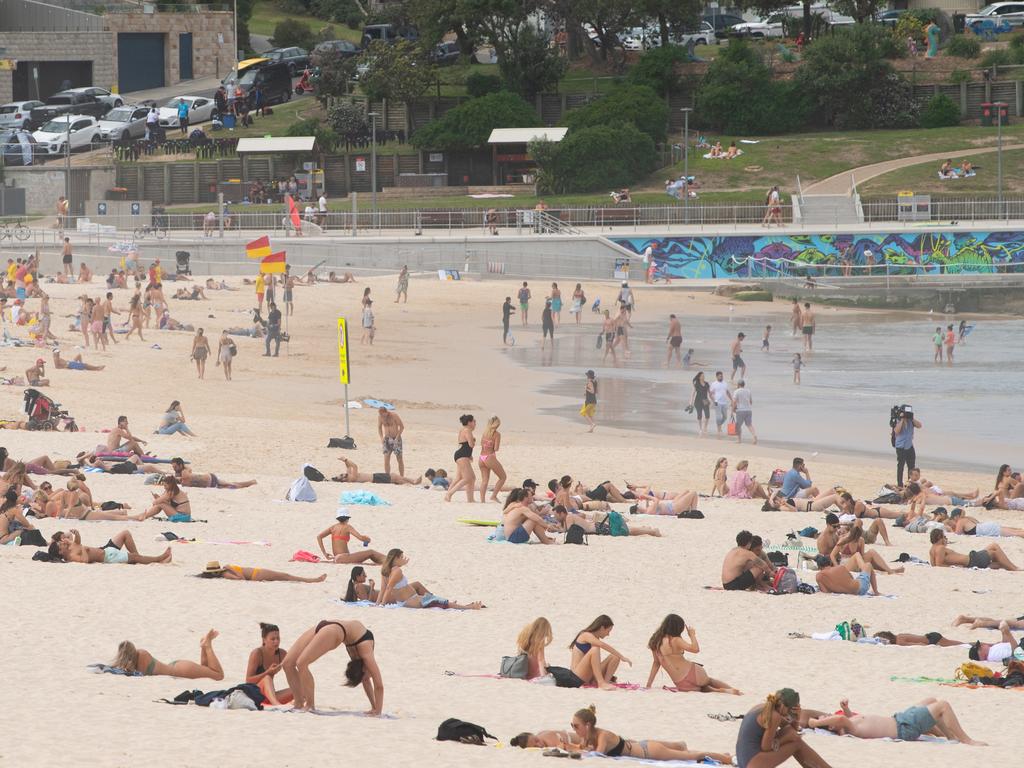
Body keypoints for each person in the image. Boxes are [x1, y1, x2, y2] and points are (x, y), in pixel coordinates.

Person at [563, 705, 732, 763]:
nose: (573, 728)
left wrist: (577, 751)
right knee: (683, 752)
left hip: (649, 751)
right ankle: (679, 745)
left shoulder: (603, 736)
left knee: (692, 756)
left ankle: (725, 758)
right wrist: (567, 747)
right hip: (641, 745)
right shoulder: (587, 736)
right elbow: (580, 748)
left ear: (588, 724)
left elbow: (597, 754)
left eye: (575, 725)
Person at [281, 619, 383, 714]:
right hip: (333, 630)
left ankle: (303, 704)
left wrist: (374, 707)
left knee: (295, 663)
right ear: (364, 670)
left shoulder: (360, 660)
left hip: (328, 625)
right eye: (365, 678)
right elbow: (379, 685)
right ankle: (307, 705)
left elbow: (366, 680)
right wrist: (378, 710)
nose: (366, 680)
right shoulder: (366, 653)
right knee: (290, 664)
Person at [809, 698, 984, 745]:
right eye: (826, 718)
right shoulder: (846, 727)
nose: (827, 715)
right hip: (903, 727)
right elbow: (840, 719)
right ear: (832, 725)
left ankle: (949, 735)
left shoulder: (849, 723)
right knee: (943, 705)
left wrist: (847, 709)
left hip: (899, 719)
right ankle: (966, 740)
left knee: (931, 700)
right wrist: (815, 724)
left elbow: (845, 717)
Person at [645, 614, 741, 694]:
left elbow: (656, 663)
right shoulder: (676, 640)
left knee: (702, 689)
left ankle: (718, 691)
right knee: (709, 681)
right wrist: (692, 635)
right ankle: (731, 690)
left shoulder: (655, 642)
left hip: (681, 683)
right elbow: (695, 649)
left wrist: (648, 685)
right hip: (693, 672)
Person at [736, 689, 832, 768]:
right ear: (783, 706)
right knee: (797, 744)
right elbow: (765, 747)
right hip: (753, 762)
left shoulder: (763, 707)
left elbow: (791, 729)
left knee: (792, 735)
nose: (789, 715)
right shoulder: (774, 716)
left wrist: (797, 717)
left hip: (744, 760)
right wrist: (785, 739)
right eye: (790, 711)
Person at [377, 548, 483, 609]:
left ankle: (462, 605)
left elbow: (383, 588)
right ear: (396, 558)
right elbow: (388, 588)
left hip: (407, 600)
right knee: (439, 602)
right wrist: (382, 604)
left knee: (438, 601)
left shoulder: (385, 569)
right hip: (411, 600)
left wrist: (378, 603)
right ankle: (469, 607)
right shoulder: (397, 571)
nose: (403, 559)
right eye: (401, 557)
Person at [111, 630, 224, 680]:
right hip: (177, 667)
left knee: (218, 675)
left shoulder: (141, 655)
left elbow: (135, 673)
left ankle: (207, 646)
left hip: (181, 670)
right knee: (206, 670)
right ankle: (204, 646)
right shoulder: (140, 656)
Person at [570, 615, 631, 690]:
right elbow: (602, 645)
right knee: (595, 649)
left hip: (589, 675)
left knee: (615, 656)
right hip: (577, 676)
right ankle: (601, 683)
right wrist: (623, 657)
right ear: (602, 628)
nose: (608, 634)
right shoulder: (586, 635)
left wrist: (619, 656)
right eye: (608, 631)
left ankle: (606, 682)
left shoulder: (595, 638)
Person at [48, 529, 171, 564]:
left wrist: (77, 534)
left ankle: (148, 559)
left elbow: (78, 543)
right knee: (134, 557)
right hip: (108, 557)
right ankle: (159, 558)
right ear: (60, 552)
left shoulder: (69, 547)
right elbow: (84, 561)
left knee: (134, 555)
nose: (63, 542)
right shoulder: (70, 557)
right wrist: (84, 551)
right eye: (60, 544)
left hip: (107, 551)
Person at [246, 622, 292, 706]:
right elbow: (248, 680)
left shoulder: (282, 654)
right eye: (273, 639)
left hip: (269, 696)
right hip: (254, 695)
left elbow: (292, 673)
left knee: (299, 689)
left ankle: (296, 705)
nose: (276, 641)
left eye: (278, 638)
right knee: (267, 678)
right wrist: (268, 672)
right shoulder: (257, 653)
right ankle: (276, 705)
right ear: (264, 640)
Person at [928, 528, 1019, 570]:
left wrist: (955, 565)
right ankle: (1014, 568)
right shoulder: (940, 548)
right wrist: (956, 567)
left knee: (998, 560)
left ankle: (1008, 566)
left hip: (971, 560)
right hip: (972, 560)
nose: (946, 539)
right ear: (939, 538)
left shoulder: (932, 549)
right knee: (995, 549)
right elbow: (938, 565)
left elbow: (933, 564)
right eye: (944, 537)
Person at [316, 511, 385, 564]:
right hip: (343, 557)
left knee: (370, 553)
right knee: (371, 552)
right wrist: (367, 539)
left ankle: (386, 561)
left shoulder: (333, 527)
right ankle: (389, 561)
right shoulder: (347, 527)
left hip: (337, 558)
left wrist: (325, 553)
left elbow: (319, 537)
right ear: (347, 518)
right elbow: (360, 538)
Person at [443, 414, 477, 502]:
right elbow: (471, 445)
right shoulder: (467, 430)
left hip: (461, 454)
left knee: (462, 478)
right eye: (474, 421)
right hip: (462, 456)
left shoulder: (463, 430)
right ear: (469, 422)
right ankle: (450, 494)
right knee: (468, 478)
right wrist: (473, 440)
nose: (475, 423)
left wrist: (470, 455)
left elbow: (464, 444)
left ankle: (469, 499)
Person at [199, 561, 327, 583]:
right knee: (285, 576)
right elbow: (241, 579)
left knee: (284, 576)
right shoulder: (226, 573)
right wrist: (231, 568)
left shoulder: (225, 572)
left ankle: (312, 580)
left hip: (256, 573)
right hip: (256, 574)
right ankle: (312, 580)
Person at [170, 457, 255, 489]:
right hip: (210, 483)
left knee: (232, 484)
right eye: (173, 467)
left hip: (210, 479)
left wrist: (177, 479)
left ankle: (251, 482)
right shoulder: (182, 471)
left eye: (175, 467)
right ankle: (250, 483)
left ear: (181, 465)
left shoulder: (184, 471)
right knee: (231, 486)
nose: (174, 469)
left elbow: (185, 478)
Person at [333, 457, 421, 485]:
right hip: (375, 479)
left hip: (375, 476)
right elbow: (355, 466)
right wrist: (345, 459)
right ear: (343, 479)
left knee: (394, 476)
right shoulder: (351, 478)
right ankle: (412, 482)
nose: (342, 474)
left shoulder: (349, 476)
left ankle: (412, 481)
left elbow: (348, 467)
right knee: (395, 478)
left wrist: (345, 462)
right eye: (341, 475)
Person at [478, 416, 506, 502]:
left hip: (481, 457)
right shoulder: (497, 434)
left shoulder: (484, 433)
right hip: (489, 457)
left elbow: (482, 445)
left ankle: (482, 500)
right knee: (503, 477)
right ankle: (493, 496)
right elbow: (496, 448)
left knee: (484, 480)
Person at [893, 406, 921, 487]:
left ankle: (910, 483)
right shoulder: (898, 420)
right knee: (900, 466)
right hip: (900, 447)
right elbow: (896, 431)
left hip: (909, 446)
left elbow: (919, 426)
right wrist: (902, 419)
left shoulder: (911, 421)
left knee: (911, 466)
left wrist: (912, 418)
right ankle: (900, 484)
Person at [815, 563, 879, 596]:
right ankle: (876, 592)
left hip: (849, 591)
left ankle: (876, 592)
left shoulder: (819, 576)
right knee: (868, 565)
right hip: (861, 588)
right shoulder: (840, 568)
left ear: (819, 567)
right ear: (829, 563)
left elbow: (825, 592)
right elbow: (851, 578)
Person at [378, 407, 405, 478]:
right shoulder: (380, 417)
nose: (382, 416)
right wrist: (381, 438)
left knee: (399, 459)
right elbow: (379, 427)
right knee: (386, 458)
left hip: (396, 438)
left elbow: (402, 427)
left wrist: (397, 437)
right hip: (387, 439)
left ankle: (401, 476)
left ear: (386, 412)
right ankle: (387, 477)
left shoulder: (394, 415)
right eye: (381, 415)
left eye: (383, 415)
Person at [731, 380, 757, 444]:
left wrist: (732, 409)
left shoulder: (736, 391)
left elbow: (734, 402)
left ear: (738, 385)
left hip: (740, 411)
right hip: (748, 410)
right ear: (744, 384)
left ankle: (739, 440)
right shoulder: (748, 391)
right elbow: (751, 402)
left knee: (738, 426)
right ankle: (754, 435)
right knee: (749, 425)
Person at [709, 371, 732, 435]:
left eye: (722, 376)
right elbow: (710, 394)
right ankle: (719, 429)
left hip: (724, 402)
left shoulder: (725, 383)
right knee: (718, 417)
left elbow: (728, 392)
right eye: (720, 376)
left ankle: (719, 425)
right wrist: (714, 401)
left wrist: (732, 400)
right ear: (716, 377)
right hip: (717, 402)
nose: (721, 377)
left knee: (725, 417)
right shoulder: (714, 384)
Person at [689, 371, 710, 436]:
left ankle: (705, 428)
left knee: (707, 415)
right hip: (698, 401)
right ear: (699, 377)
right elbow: (693, 394)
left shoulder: (707, 384)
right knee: (699, 415)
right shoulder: (697, 384)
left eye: (704, 376)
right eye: (702, 376)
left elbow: (710, 393)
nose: (703, 377)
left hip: (705, 400)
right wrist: (691, 403)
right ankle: (700, 429)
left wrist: (713, 400)